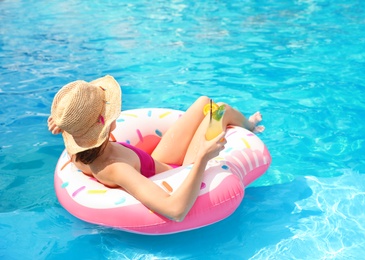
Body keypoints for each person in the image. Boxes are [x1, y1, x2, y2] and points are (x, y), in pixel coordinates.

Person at [48, 75, 264, 221]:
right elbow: (175, 211)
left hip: (154, 161)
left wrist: (61, 123)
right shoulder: (113, 167)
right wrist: (202, 159)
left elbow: (73, 124)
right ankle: (250, 126)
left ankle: (247, 125)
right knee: (220, 111)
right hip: (178, 172)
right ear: (104, 123)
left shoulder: (77, 145)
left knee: (203, 102)